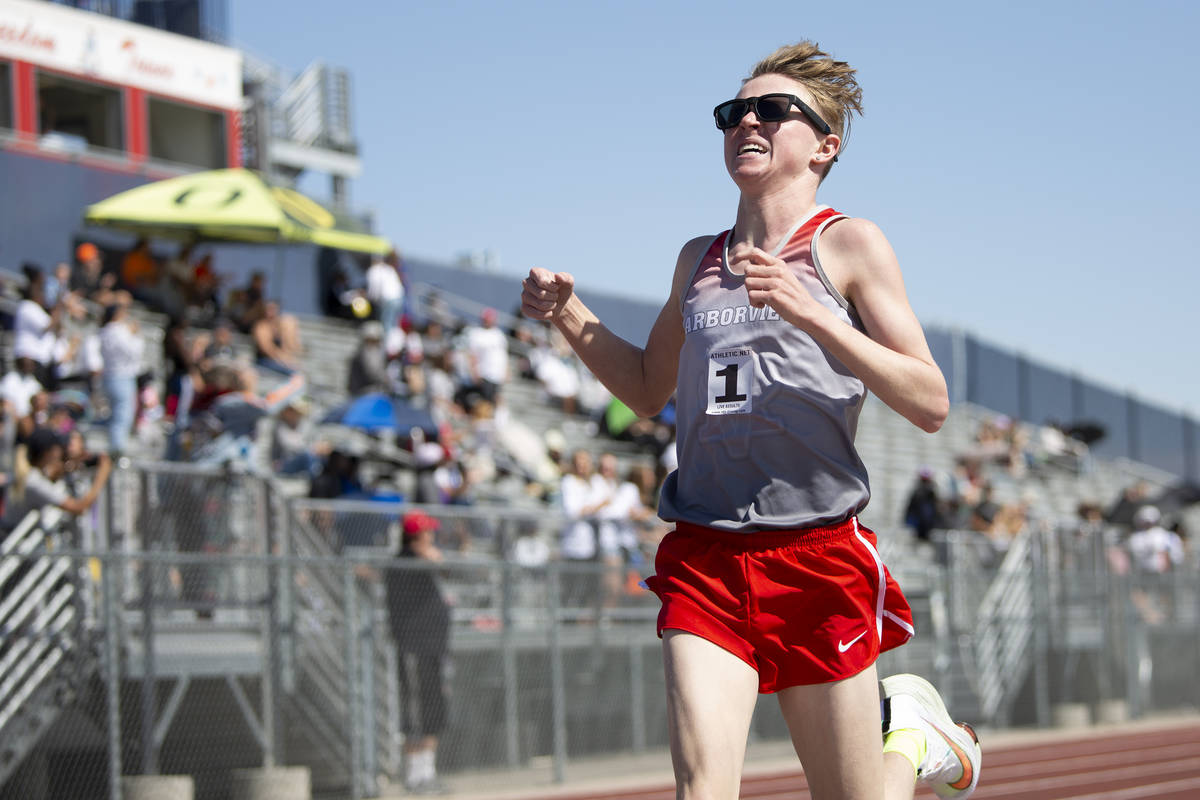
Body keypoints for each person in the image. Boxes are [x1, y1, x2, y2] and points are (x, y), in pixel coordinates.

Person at [521, 41, 980, 800]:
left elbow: (930, 401)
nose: (747, 123)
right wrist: (566, 312)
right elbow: (643, 388)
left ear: (825, 145)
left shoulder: (849, 243)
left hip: (816, 555)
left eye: (772, 110)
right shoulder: (697, 261)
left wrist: (816, 316)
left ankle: (914, 739)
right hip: (706, 554)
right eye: (734, 113)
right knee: (702, 789)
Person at [385, 510, 451, 795]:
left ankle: (428, 772)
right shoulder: (401, 564)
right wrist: (426, 557)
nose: (431, 537)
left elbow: (448, 570)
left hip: (435, 647)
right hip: (413, 647)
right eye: (426, 533)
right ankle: (414, 776)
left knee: (434, 707)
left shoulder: (427, 562)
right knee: (414, 710)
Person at [98, 303, 144, 454]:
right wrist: (135, 335)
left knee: (116, 415)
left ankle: (114, 447)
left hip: (109, 376)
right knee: (122, 416)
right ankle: (116, 451)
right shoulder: (119, 331)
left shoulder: (104, 331)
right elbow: (133, 351)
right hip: (122, 377)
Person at [365, 250, 405, 335]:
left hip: (389, 300)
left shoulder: (374, 270)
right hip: (400, 298)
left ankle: (387, 345)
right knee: (394, 325)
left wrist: (369, 298)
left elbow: (373, 290)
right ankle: (393, 343)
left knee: (386, 325)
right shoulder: (388, 268)